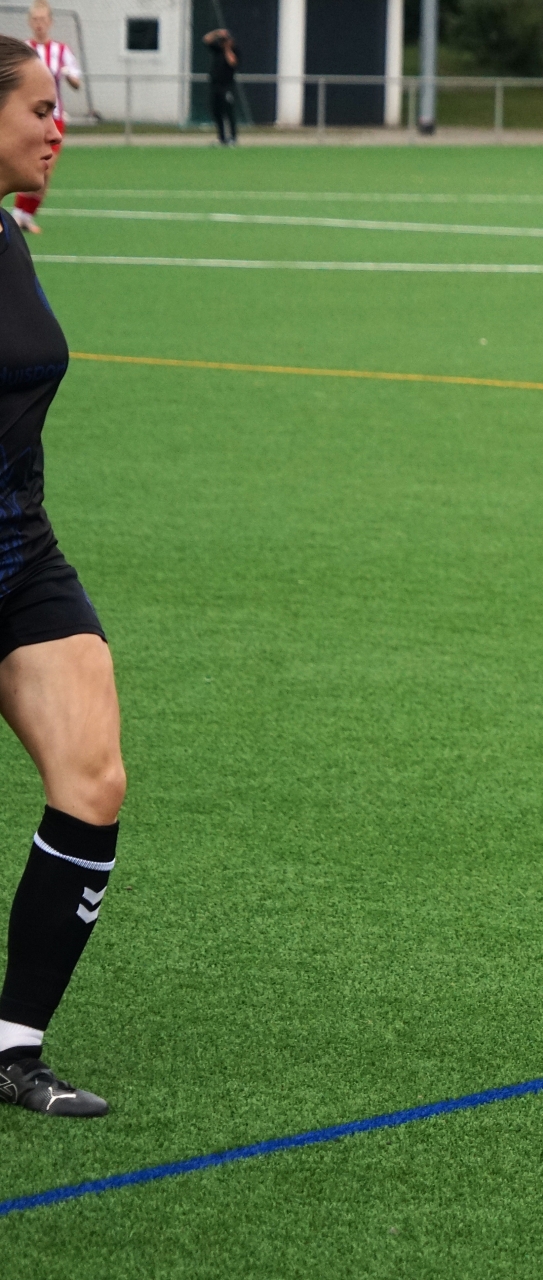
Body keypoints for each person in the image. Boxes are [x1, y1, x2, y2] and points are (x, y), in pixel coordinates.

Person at [0, 37, 127, 1118]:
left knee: (93, 781)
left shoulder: (5, 232)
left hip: (20, 552)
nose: (58, 127)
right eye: (41, 109)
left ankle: (12, 1046)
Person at [8, 1, 80, 233]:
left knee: (46, 170)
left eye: (43, 19)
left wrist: (69, 76)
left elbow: (77, 83)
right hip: (28, 117)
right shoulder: (24, 50)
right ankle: (18, 214)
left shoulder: (61, 51)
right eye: (35, 19)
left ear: (50, 22)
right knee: (28, 165)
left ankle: (26, 214)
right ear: (30, 22)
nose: (39, 24)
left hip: (54, 118)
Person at [204, 27, 239, 147]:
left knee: (229, 112)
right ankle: (222, 138)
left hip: (226, 86)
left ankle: (233, 138)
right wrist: (217, 33)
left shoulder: (234, 51)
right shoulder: (217, 50)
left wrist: (227, 48)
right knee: (217, 112)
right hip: (215, 86)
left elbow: (232, 62)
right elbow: (206, 39)